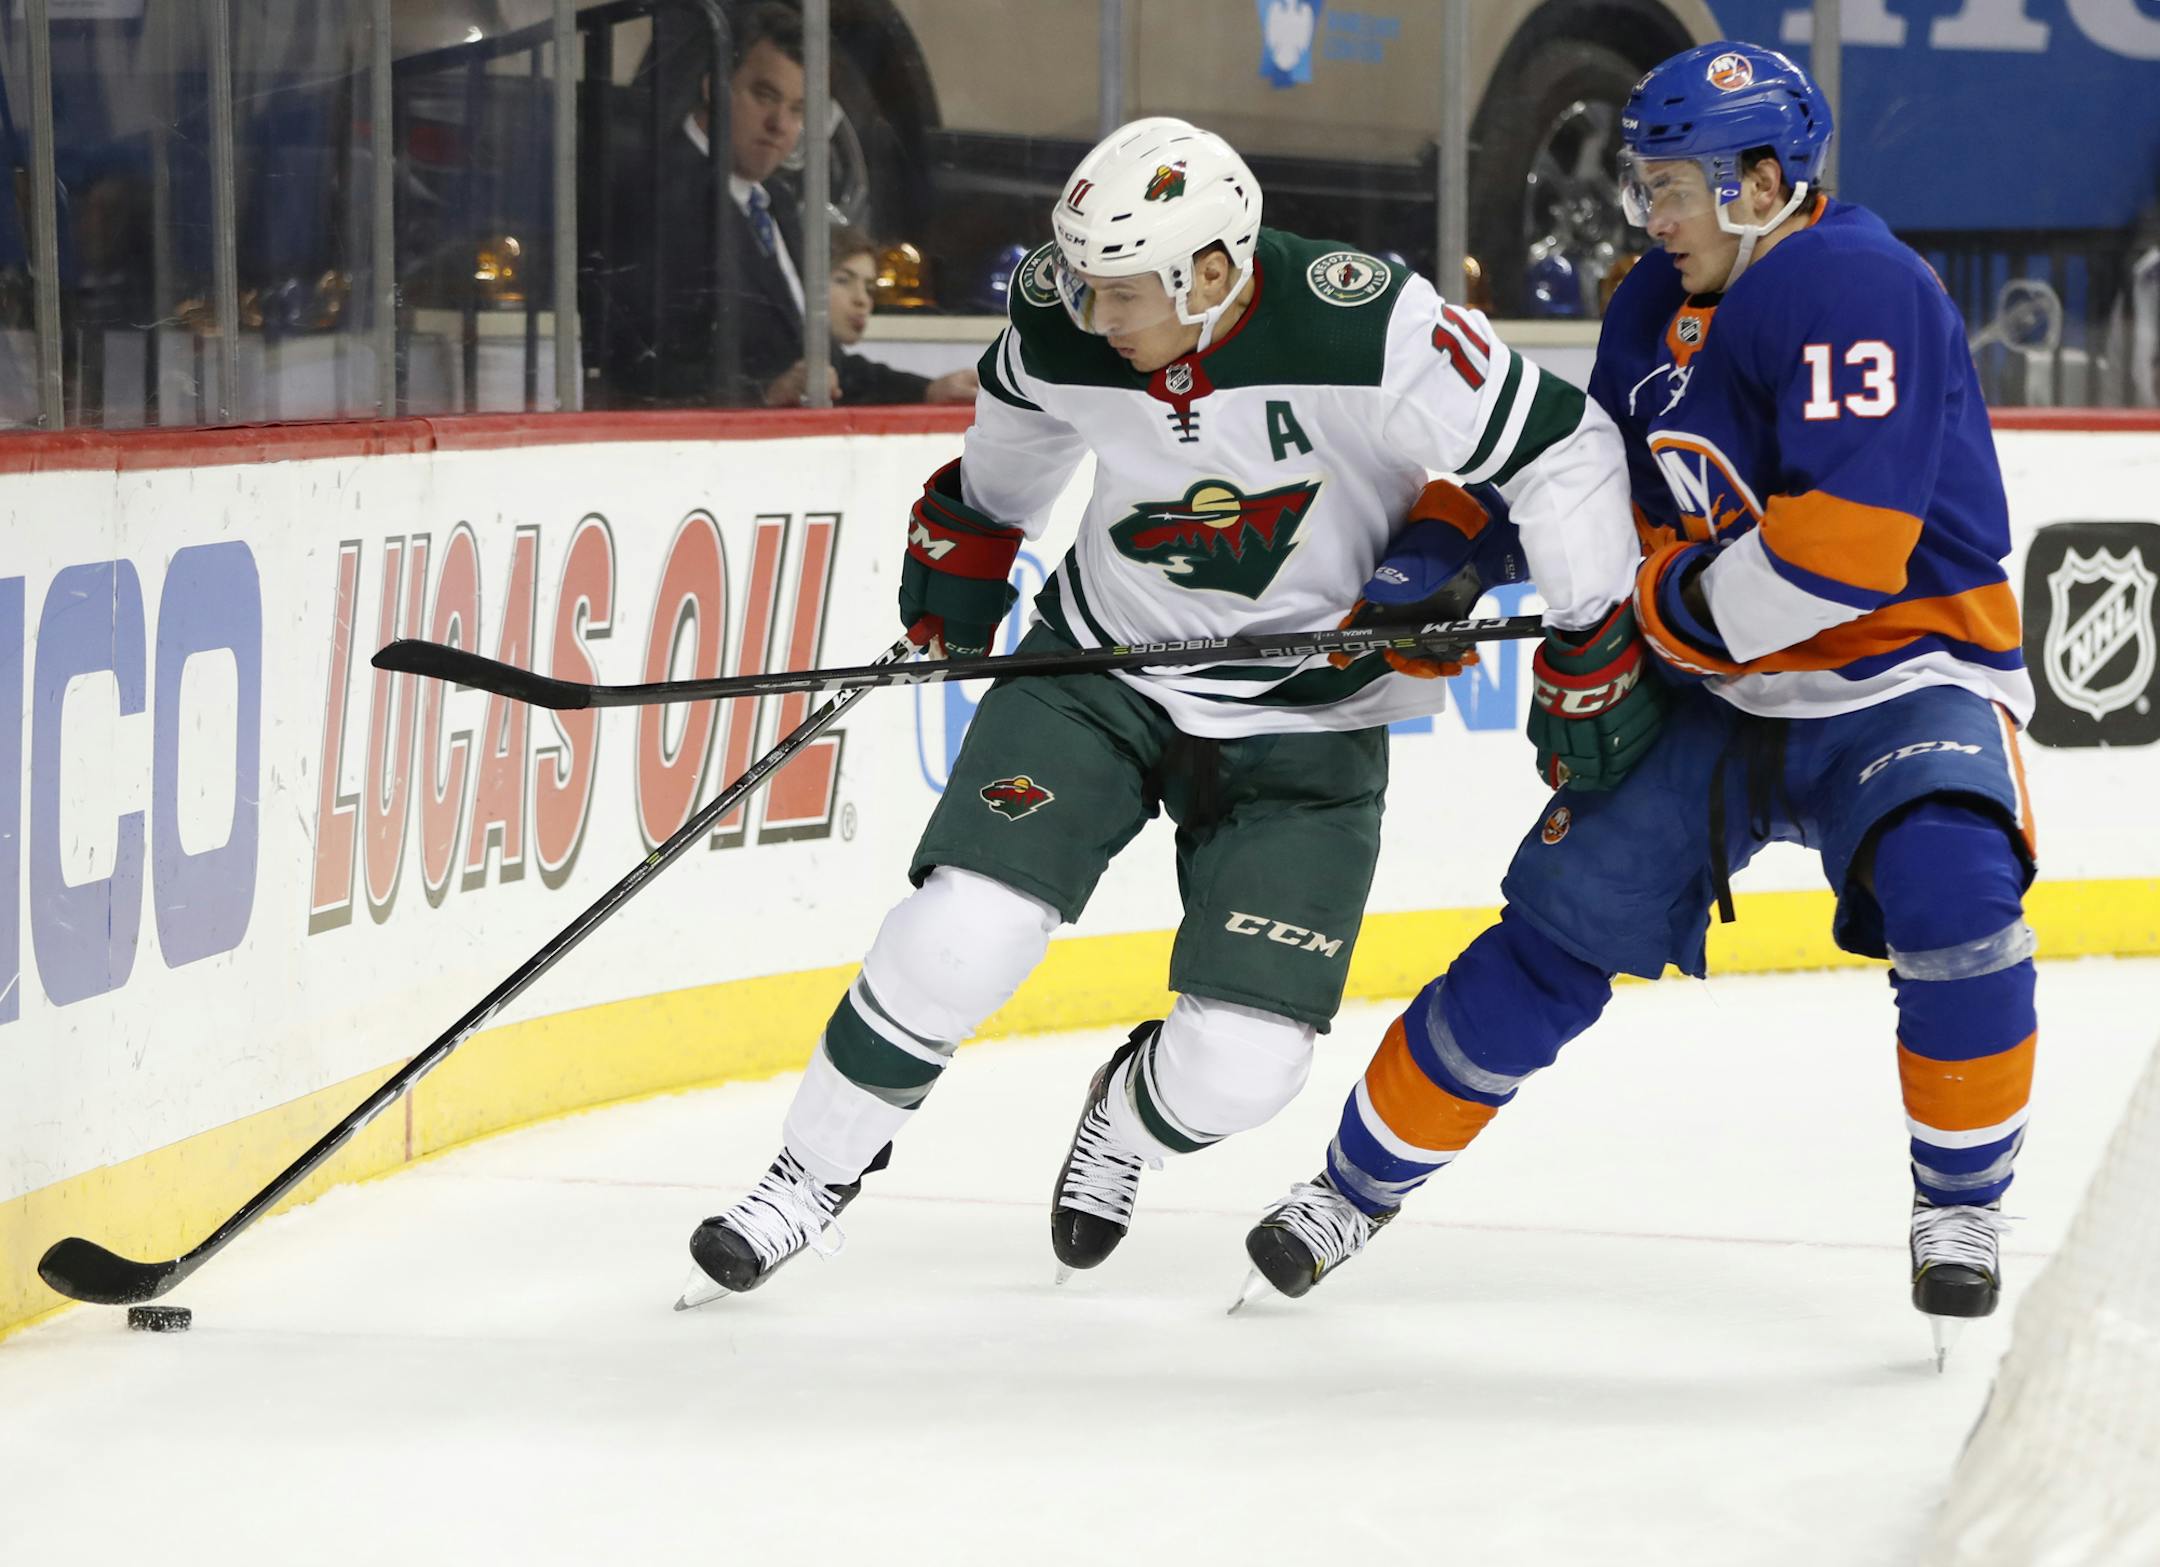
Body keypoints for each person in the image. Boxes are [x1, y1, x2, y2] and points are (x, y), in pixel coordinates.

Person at [677, 114, 1644, 1305]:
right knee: (962, 931)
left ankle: (1126, 1121)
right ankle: (807, 1177)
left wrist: (1590, 629)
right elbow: (1015, 440)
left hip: (1312, 712)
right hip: (1102, 669)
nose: (1091, 312)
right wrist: (972, 543)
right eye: (1080, 282)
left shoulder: (1369, 324)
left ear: (1214, 272)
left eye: (1120, 289)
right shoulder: (1063, 313)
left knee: (1244, 1067)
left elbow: (1563, 446)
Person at [1237, 43, 2039, 1360]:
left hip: (1903, 671)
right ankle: (1347, 1188)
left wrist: (1644, 612)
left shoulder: (1854, 284)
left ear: (1765, 183)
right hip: (1724, 690)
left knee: (1955, 888)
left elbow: (1845, 557)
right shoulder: (1653, 305)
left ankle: (1960, 1206)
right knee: (1556, 929)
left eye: (1673, 185)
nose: (1649, 212)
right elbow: (1576, 472)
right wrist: (1438, 557)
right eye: (1646, 185)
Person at [597, 2, 833, 408]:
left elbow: (820, 361)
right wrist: (761, 393)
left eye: (797, 109)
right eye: (764, 96)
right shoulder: (655, 191)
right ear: (713, 86)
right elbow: (636, 363)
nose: (781, 124)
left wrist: (926, 388)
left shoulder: (776, 201)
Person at [817, 225, 979, 405]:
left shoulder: (842, 369)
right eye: (843, 281)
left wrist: (932, 390)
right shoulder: (792, 367)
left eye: (870, 289)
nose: (862, 299)